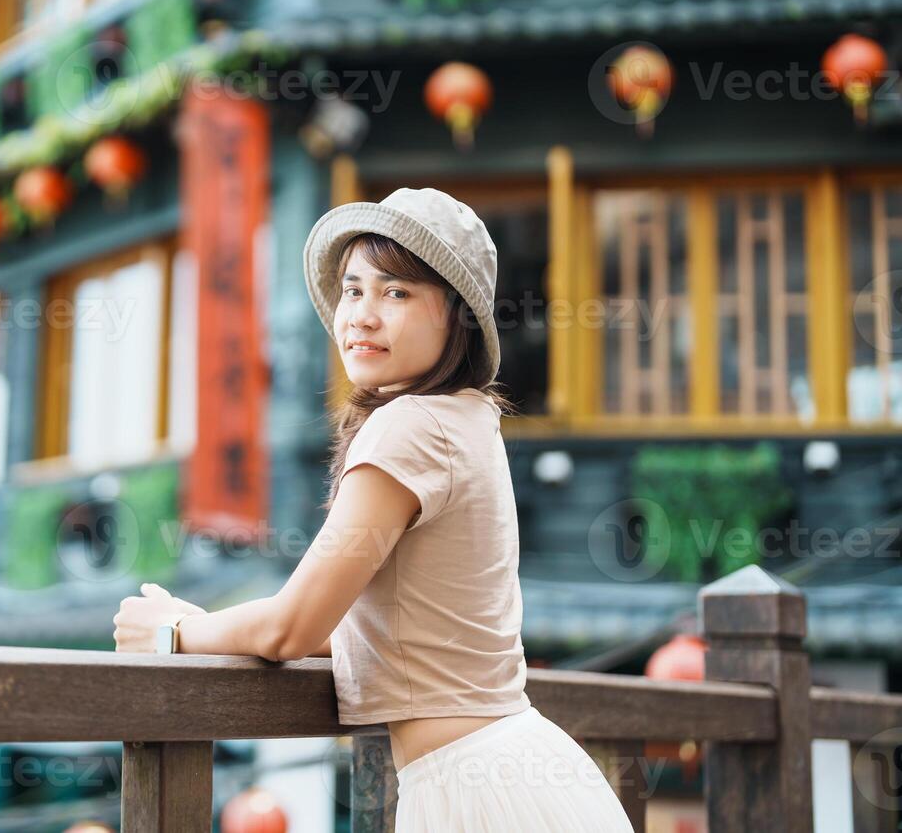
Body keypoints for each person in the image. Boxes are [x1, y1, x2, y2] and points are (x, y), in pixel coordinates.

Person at [114, 187, 636, 831]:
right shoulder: (468, 420)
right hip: (511, 769)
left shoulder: (411, 427)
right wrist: (205, 625)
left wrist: (171, 632)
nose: (360, 315)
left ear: (458, 317)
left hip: (475, 790)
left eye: (396, 293)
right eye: (354, 289)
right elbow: (359, 628)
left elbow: (293, 628)